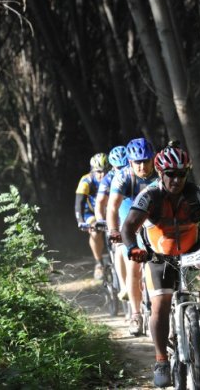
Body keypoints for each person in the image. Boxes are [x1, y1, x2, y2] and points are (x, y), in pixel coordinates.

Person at [121, 142, 200, 388]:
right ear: (161, 173)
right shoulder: (149, 195)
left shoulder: (197, 193)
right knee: (160, 305)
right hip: (158, 256)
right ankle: (161, 360)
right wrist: (132, 247)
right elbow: (129, 225)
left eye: (182, 174)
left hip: (191, 249)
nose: (176, 180)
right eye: (171, 174)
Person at [106, 137, 158, 335]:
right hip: (130, 220)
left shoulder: (161, 172)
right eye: (137, 162)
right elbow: (112, 207)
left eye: (146, 161)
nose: (142, 166)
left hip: (155, 221)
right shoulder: (123, 176)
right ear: (130, 162)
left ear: (153, 158)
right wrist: (113, 230)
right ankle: (136, 314)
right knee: (134, 267)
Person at [95, 145, 130, 296]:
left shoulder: (135, 174)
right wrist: (100, 220)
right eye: (118, 167)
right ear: (113, 167)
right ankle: (124, 287)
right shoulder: (108, 178)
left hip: (133, 215)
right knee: (120, 246)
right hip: (116, 218)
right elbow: (100, 202)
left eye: (125, 166)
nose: (122, 170)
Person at [75, 153, 110, 281]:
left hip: (110, 211)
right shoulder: (86, 181)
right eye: (99, 172)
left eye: (105, 171)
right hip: (90, 212)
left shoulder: (115, 178)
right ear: (92, 171)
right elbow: (79, 203)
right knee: (95, 232)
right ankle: (99, 263)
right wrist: (80, 221)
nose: (102, 175)